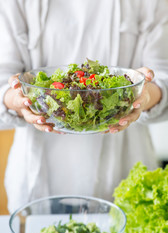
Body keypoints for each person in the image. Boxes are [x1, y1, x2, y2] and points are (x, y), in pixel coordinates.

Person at [0, 0, 168, 213]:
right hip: (37, 184)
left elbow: (163, 77)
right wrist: (16, 99)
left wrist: (143, 94)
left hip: (123, 174)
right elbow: (3, 80)